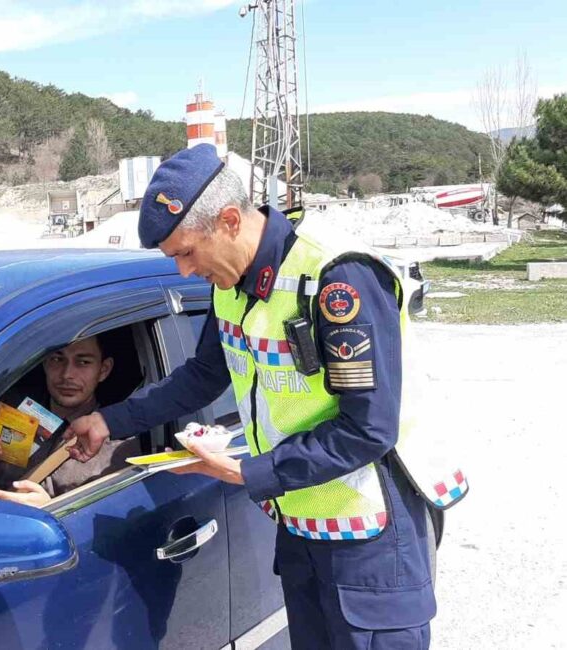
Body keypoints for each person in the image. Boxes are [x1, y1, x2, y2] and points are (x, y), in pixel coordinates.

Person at [67, 144, 467, 649]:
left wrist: (246, 472)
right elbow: (204, 375)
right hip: (301, 527)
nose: (185, 272)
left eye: (187, 253)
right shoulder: (231, 285)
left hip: (372, 535)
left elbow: (368, 429)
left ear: (230, 220)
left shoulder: (336, 278)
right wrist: (111, 420)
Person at [0, 336, 138, 508]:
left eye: (83, 362)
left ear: (103, 370)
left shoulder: (116, 449)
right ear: (44, 363)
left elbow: (111, 528)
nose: (67, 375)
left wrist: (52, 510)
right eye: (57, 359)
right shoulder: (12, 413)